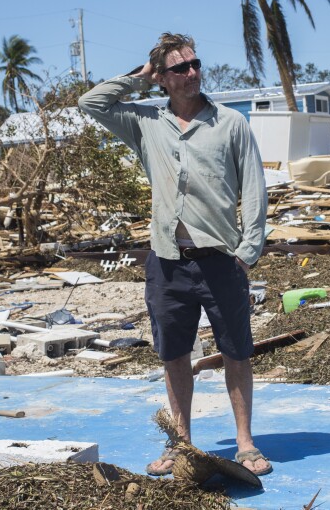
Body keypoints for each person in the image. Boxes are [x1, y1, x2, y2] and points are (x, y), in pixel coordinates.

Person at [78, 32, 270, 477]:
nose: (192, 73)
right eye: (179, 68)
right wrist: (139, 77)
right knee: (174, 355)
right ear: (162, 79)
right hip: (166, 261)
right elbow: (91, 103)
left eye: (195, 64)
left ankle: (244, 442)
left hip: (221, 260)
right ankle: (180, 443)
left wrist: (247, 254)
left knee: (237, 352)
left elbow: (254, 192)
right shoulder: (146, 123)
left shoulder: (230, 124)